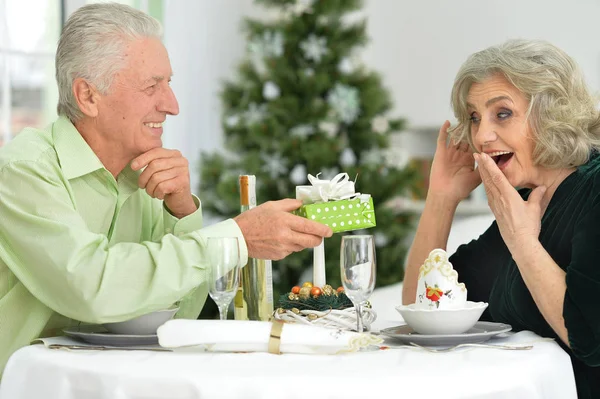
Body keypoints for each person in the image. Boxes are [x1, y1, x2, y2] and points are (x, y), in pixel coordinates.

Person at [0, 3, 332, 374]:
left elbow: (175, 318)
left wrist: (183, 213)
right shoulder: (24, 170)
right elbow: (91, 287)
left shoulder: (150, 173)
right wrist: (235, 239)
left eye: (168, 83)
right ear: (88, 96)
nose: (171, 105)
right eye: (151, 86)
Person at [402, 39, 600, 398]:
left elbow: (591, 336)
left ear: (553, 113)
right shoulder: (522, 201)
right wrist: (441, 199)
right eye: (475, 117)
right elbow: (426, 310)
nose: (481, 135)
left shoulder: (595, 188)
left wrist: (522, 240)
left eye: (502, 113)